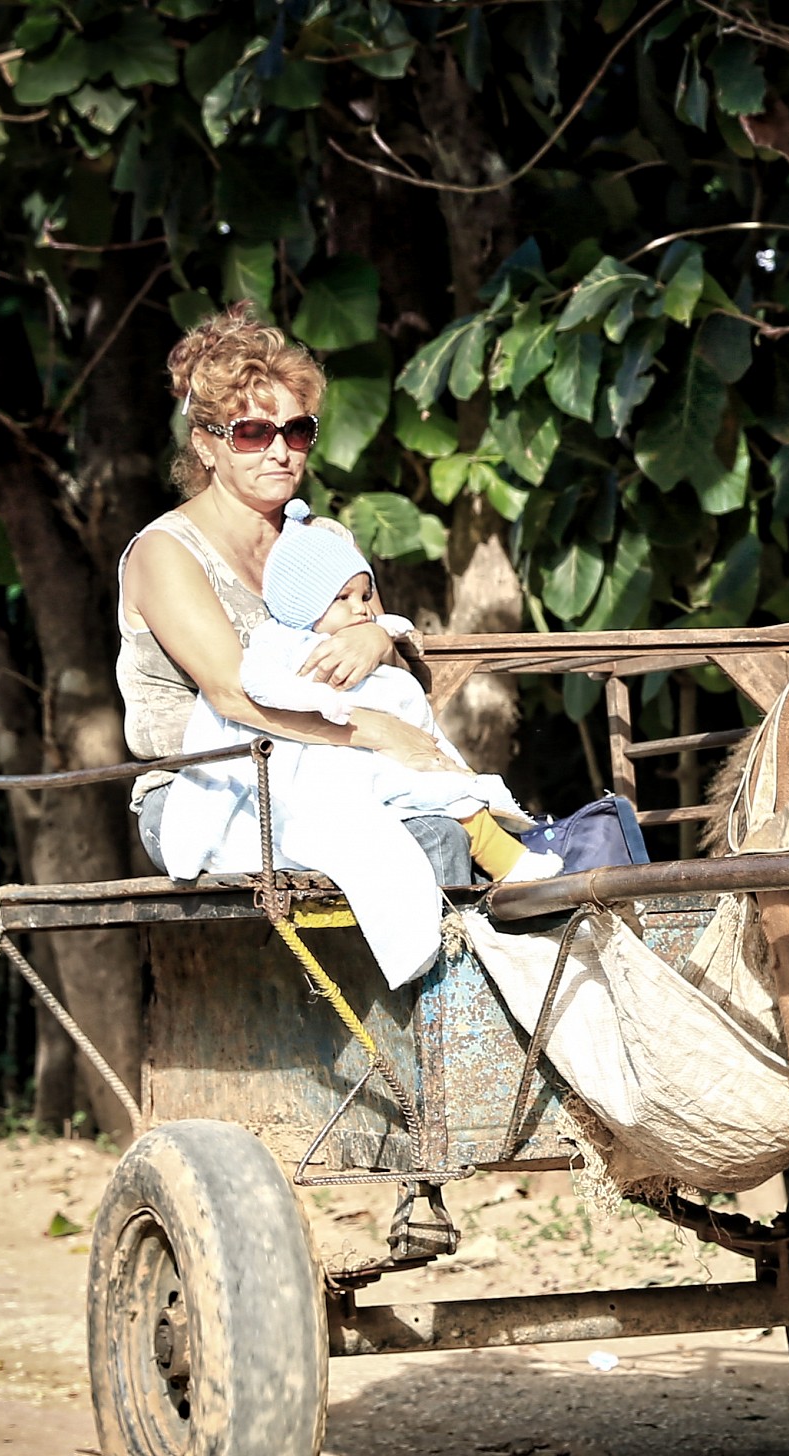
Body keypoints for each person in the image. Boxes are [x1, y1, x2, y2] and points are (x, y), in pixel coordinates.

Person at [118, 304, 474, 890]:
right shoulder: (167, 551)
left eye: (297, 429)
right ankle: (433, 982)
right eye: (253, 432)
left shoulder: (322, 539)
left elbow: (383, 653)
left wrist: (372, 633)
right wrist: (380, 733)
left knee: (467, 818)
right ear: (206, 445)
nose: (280, 451)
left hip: (330, 770)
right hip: (209, 790)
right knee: (429, 838)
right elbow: (233, 695)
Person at [156, 500, 557, 986]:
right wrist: (325, 704)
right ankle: (441, 974)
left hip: (374, 751)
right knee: (424, 825)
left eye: (365, 595)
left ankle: (515, 888)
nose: (362, 606)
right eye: (345, 600)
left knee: (453, 799)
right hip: (309, 757)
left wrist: (376, 637)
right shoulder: (272, 638)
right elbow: (246, 690)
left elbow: (397, 642)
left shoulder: (333, 555)